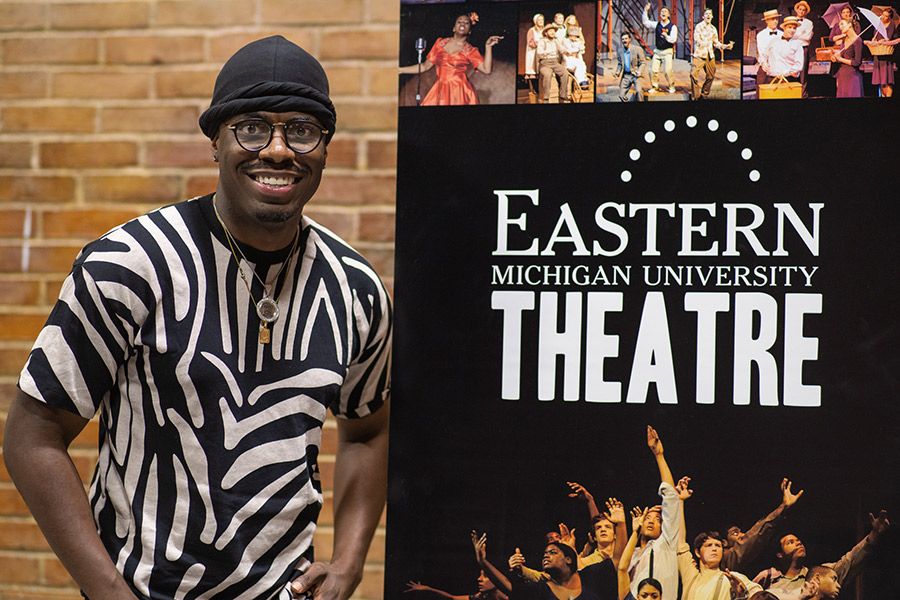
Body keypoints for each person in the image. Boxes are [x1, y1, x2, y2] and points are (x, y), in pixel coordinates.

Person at [3, 35, 392, 600]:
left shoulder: (355, 289)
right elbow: (32, 439)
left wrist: (351, 560)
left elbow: (368, 429)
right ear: (216, 140)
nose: (279, 150)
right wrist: (109, 590)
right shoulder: (131, 264)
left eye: (302, 130)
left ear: (325, 147)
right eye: (252, 127)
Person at [752, 510, 891, 596]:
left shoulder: (817, 576)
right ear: (779, 554)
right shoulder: (768, 576)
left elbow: (849, 562)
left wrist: (874, 535)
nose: (798, 543)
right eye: (790, 542)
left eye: (799, 541)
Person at [626, 427, 682, 600]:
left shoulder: (665, 545)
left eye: (657, 519)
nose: (650, 521)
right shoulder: (630, 555)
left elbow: (671, 499)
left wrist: (659, 456)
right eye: (646, 518)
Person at [399, 14, 503, 106]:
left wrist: (488, 47)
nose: (462, 24)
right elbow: (424, 66)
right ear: (454, 28)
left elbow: (487, 70)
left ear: (470, 31)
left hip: (460, 91)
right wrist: (400, 70)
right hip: (440, 89)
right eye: (459, 22)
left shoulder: (470, 50)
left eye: (466, 23)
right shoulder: (440, 43)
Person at [721, 478, 803, 572]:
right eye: (735, 533)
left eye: (741, 532)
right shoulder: (723, 559)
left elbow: (755, 536)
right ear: (724, 543)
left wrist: (782, 508)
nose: (742, 535)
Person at [690, 8, 734, 99]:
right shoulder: (699, 26)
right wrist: (705, 43)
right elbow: (697, 39)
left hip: (709, 55)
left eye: (710, 14)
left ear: (712, 16)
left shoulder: (713, 29)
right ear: (703, 17)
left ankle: (704, 95)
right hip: (699, 54)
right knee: (693, 74)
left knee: (711, 76)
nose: (708, 15)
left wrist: (725, 46)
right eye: (706, 14)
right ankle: (695, 97)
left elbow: (716, 43)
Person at [643, 3, 679, 93]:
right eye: (662, 11)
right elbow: (646, 23)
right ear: (659, 15)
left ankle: (671, 86)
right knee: (652, 71)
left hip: (667, 52)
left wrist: (666, 36)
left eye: (665, 12)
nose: (663, 13)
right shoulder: (657, 25)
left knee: (667, 71)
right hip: (658, 52)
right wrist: (645, 11)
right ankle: (655, 87)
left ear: (668, 15)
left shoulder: (672, 27)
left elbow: (674, 39)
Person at [864, 6, 900, 97]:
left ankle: (888, 98)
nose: (883, 17)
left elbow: (890, 38)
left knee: (888, 79)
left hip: (886, 53)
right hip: (878, 52)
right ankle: (882, 97)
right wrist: (874, 39)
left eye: (886, 16)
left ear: (889, 17)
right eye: (883, 15)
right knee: (880, 79)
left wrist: (885, 40)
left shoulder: (891, 25)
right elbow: (875, 36)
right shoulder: (878, 24)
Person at [536, 23, 572, 103]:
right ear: (546, 33)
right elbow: (539, 53)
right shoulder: (542, 41)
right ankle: (546, 98)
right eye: (550, 31)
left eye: (553, 31)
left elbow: (561, 49)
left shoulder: (556, 41)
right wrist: (548, 52)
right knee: (547, 75)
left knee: (564, 73)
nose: (552, 32)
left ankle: (563, 95)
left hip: (555, 62)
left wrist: (566, 51)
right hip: (545, 64)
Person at [762, 16, 804, 81]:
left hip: (789, 80)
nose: (792, 30)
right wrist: (763, 62)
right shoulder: (773, 41)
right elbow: (764, 55)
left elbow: (798, 65)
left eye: (794, 28)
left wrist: (784, 72)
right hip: (772, 79)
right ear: (784, 28)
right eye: (789, 27)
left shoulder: (797, 44)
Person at [831, 18, 863, 97]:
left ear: (849, 25)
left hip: (852, 76)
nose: (840, 27)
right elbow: (843, 57)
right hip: (842, 75)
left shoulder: (858, 41)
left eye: (842, 24)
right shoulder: (844, 39)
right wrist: (836, 57)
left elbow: (857, 62)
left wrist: (840, 59)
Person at [792, 1, 815, 97]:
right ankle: (792, 93)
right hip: (792, 49)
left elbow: (808, 37)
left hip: (803, 48)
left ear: (806, 12)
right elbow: (790, 35)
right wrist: (802, 34)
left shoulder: (809, 23)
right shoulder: (792, 20)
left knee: (803, 74)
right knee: (791, 71)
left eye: (803, 10)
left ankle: (803, 95)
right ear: (796, 10)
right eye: (800, 9)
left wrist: (797, 35)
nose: (801, 11)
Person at [616, 31, 646, 101]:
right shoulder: (620, 51)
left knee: (639, 92)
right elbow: (620, 64)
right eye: (623, 39)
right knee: (621, 95)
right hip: (626, 76)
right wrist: (617, 72)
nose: (624, 41)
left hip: (636, 75)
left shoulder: (637, 49)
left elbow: (643, 63)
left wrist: (639, 72)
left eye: (626, 39)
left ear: (630, 39)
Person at [757, 9, 783, 86]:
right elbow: (762, 52)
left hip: (778, 67)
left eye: (776, 19)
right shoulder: (761, 35)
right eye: (773, 19)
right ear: (767, 20)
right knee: (762, 92)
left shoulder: (782, 34)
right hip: (766, 66)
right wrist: (764, 62)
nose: (775, 21)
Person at [525, 14, 545, 100]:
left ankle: (541, 89)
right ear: (535, 21)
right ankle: (535, 89)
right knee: (533, 70)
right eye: (539, 20)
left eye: (542, 20)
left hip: (542, 52)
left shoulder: (545, 30)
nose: (541, 21)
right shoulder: (532, 30)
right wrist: (539, 43)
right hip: (533, 53)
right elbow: (530, 42)